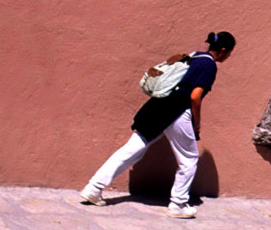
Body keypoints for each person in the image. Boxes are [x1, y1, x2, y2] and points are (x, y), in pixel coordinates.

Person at [80, 30, 236, 218]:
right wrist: (196, 123)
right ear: (223, 50)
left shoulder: (194, 56)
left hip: (157, 107)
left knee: (131, 150)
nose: (229, 57)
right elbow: (195, 97)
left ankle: (93, 188)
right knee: (189, 158)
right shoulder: (209, 65)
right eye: (229, 53)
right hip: (177, 110)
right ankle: (178, 204)